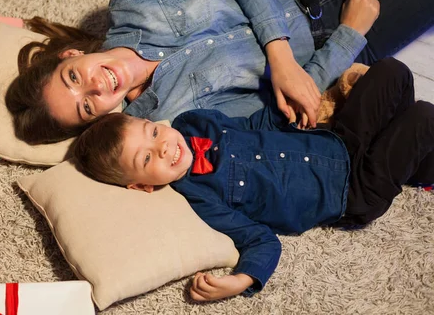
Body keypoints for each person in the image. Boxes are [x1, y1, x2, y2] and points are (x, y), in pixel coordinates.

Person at [6, 0, 434, 145]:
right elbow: (277, 113)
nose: (96, 87)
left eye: (74, 79)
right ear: (95, 121)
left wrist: (279, 57)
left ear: (68, 56)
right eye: (86, 107)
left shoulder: (132, 3)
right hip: (351, 42)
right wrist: (350, 36)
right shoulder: (167, 121)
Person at [72, 57, 434, 302]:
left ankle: (411, 160)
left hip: (334, 141)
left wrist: (288, 113)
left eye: (153, 133)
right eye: (147, 158)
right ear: (142, 185)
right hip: (352, 193)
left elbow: (251, 127)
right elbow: (259, 238)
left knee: (393, 71)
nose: (165, 148)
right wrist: (242, 279)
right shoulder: (199, 197)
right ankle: (419, 164)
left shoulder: (192, 123)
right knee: (423, 117)